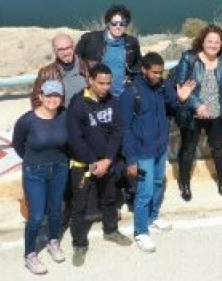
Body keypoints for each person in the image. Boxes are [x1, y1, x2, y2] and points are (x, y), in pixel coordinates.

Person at [65, 64, 132, 266]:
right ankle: (79, 244)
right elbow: (76, 139)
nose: (106, 87)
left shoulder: (113, 102)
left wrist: (108, 160)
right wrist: (94, 163)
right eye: (101, 83)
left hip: (107, 162)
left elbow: (117, 132)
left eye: (109, 83)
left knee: (109, 199)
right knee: (80, 206)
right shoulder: (77, 104)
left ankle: (111, 230)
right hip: (83, 165)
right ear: (90, 81)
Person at [119, 53, 185, 253]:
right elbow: (125, 128)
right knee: (144, 191)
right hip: (141, 153)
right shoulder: (131, 92)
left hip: (159, 148)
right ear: (144, 70)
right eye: (154, 72)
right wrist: (131, 159)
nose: (157, 76)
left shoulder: (163, 86)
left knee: (158, 183)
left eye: (160, 72)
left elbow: (174, 104)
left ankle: (153, 217)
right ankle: (141, 231)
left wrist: (181, 97)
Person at [172, 24, 222, 201]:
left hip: (216, 114)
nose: (213, 44)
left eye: (217, 42)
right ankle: (185, 183)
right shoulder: (189, 58)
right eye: (210, 41)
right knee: (188, 149)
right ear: (202, 42)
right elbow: (180, 86)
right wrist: (197, 105)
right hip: (193, 114)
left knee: (218, 149)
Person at [12, 80, 70, 275]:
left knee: (55, 210)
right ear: (41, 97)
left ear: (61, 98)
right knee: (36, 215)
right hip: (34, 172)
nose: (53, 99)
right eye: (49, 95)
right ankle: (30, 254)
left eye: (57, 96)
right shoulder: (27, 120)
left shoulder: (65, 116)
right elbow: (18, 145)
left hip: (60, 168)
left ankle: (53, 241)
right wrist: (34, 162)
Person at [76, 4, 143, 96]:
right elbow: (77, 60)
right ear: (108, 23)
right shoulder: (90, 39)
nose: (118, 26)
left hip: (122, 95)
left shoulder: (131, 43)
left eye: (122, 23)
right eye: (114, 23)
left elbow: (137, 65)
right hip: (98, 95)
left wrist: (130, 79)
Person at [34, 34, 90, 108]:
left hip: (87, 116)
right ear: (54, 51)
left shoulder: (88, 67)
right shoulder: (46, 73)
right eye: (60, 50)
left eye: (68, 48)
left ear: (73, 47)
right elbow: (36, 100)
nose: (65, 53)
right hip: (61, 118)